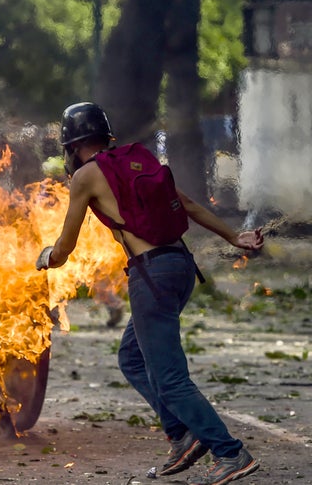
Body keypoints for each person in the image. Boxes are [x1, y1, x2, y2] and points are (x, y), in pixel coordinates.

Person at [36, 102, 263, 485]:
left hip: (151, 275)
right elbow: (187, 204)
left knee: (170, 377)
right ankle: (182, 435)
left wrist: (48, 258)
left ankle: (229, 451)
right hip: (180, 266)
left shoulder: (86, 176)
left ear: (72, 146)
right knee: (133, 357)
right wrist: (234, 236)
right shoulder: (136, 160)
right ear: (104, 136)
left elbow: (66, 245)